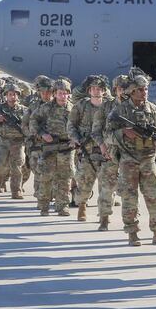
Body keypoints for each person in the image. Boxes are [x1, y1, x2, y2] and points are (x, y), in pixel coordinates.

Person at [106, 71, 156, 246]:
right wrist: (123, 132)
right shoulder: (120, 110)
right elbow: (107, 134)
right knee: (129, 197)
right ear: (132, 92)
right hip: (128, 159)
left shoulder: (153, 110)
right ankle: (132, 232)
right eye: (140, 89)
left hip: (148, 159)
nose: (144, 92)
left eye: (145, 89)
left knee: (154, 196)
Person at [29, 78, 74, 216]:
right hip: (49, 147)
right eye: (60, 93)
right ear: (54, 93)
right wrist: (42, 134)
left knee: (65, 178)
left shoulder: (73, 109)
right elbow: (33, 121)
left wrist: (76, 139)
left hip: (66, 148)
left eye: (65, 93)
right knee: (46, 177)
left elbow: (81, 126)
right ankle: (43, 205)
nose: (63, 96)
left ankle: (62, 206)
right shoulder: (46, 108)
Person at [68, 75, 109, 221]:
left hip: (106, 151)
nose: (96, 91)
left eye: (99, 89)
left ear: (104, 91)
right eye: (94, 89)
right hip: (87, 150)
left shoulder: (110, 106)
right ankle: (82, 206)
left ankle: (104, 215)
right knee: (85, 182)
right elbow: (71, 124)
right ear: (89, 91)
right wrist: (75, 138)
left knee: (107, 185)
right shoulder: (81, 106)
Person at [90, 75, 127, 231]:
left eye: (126, 89)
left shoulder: (134, 107)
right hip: (110, 153)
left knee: (129, 189)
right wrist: (102, 146)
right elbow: (96, 131)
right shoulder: (105, 107)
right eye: (120, 89)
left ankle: (131, 221)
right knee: (106, 187)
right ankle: (104, 218)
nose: (123, 92)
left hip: (129, 154)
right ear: (115, 90)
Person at [0, 83, 28, 199]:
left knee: (17, 168)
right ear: (6, 95)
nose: (12, 97)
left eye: (15, 94)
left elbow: (29, 125)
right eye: (10, 94)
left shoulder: (24, 110)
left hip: (18, 143)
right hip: (3, 142)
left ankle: (16, 191)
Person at [23, 76, 54, 197]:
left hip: (54, 144)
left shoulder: (59, 106)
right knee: (37, 170)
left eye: (48, 92)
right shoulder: (33, 107)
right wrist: (33, 134)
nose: (46, 95)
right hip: (36, 144)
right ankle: (39, 194)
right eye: (43, 92)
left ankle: (51, 194)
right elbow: (24, 125)